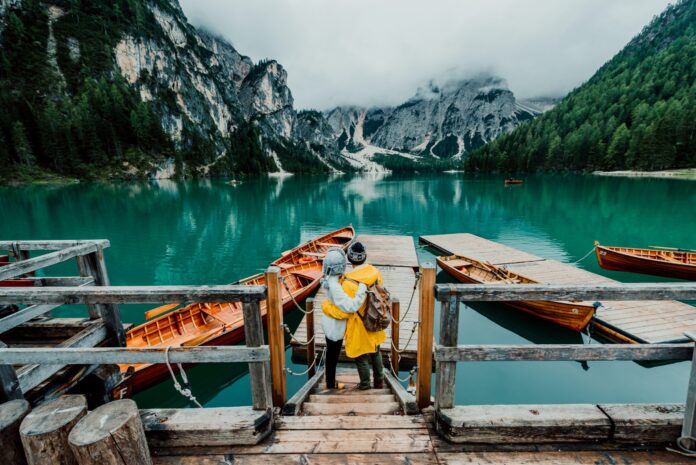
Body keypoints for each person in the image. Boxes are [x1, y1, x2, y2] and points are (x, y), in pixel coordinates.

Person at [322, 241, 386, 390]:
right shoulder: (374, 272)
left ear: (349, 259)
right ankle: (379, 380)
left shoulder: (348, 281)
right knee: (376, 350)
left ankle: (365, 384)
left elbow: (345, 310)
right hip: (375, 317)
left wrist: (326, 307)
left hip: (359, 323)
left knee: (361, 356)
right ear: (364, 257)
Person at [319, 247, 367, 389]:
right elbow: (350, 307)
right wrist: (362, 289)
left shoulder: (327, 279)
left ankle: (330, 382)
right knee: (333, 356)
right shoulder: (335, 286)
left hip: (328, 321)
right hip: (336, 326)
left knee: (330, 354)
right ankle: (331, 384)